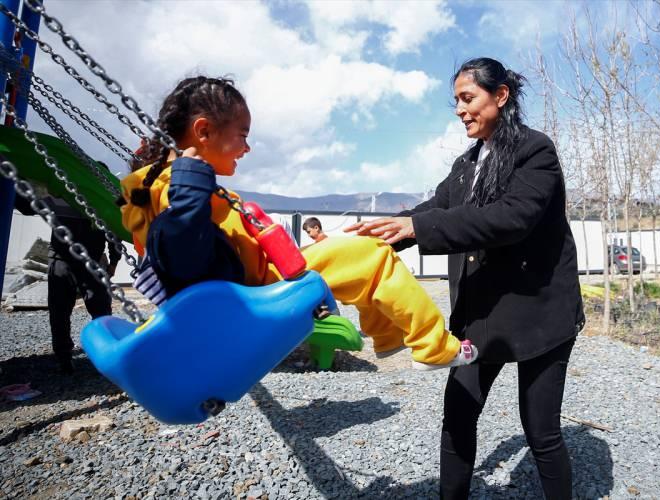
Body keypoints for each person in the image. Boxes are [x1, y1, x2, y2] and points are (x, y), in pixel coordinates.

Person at [118, 76, 477, 370]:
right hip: (253, 294)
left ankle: (388, 336)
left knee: (363, 253)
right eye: (242, 134)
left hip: (253, 281)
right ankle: (433, 346)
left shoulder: (160, 183)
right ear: (203, 131)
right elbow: (182, 256)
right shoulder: (178, 186)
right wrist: (192, 187)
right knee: (375, 256)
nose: (247, 148)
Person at [348, 58, 585, 499]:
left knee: (540, 429)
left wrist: (419, 228)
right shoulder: (466, 164)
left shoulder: (535, 151)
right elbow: (431, 211)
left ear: (500, 96)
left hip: (540, 314)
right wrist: (372, 241)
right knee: (458, 417)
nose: (459, 109)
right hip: (481, 315)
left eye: (467, 98)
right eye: (456, 100)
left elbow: (512, 218)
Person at [16, 195, 120, 374]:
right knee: (70, 309)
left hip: (83, 260)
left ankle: (78, 356)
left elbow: (113, 233)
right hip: (68, 260)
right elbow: (27, 207)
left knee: (90, 309)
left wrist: (113, 261)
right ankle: (67, 357)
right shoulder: (61, 193)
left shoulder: (84, 197)